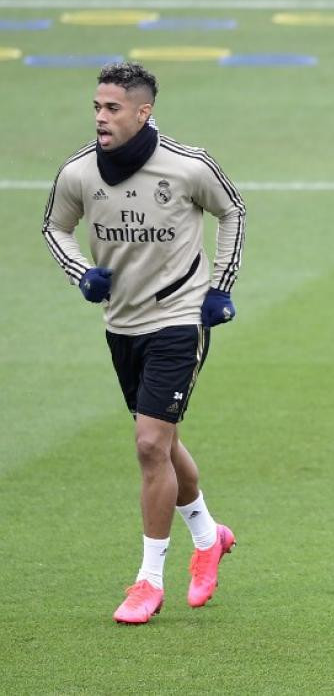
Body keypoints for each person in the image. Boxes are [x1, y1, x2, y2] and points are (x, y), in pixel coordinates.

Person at [41, 61, 246, 624]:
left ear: (142, 111)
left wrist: (219, 289)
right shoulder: (79, 173)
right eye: (96, 107)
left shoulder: (186, 166)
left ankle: (147, 581)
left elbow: (233, 210)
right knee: (162, 440)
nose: (101, 118)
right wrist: (83, 271)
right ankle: (209, 536)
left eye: (112, 108)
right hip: (121, 324)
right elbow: (54, 227)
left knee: (149, 445)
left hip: (180, 319)